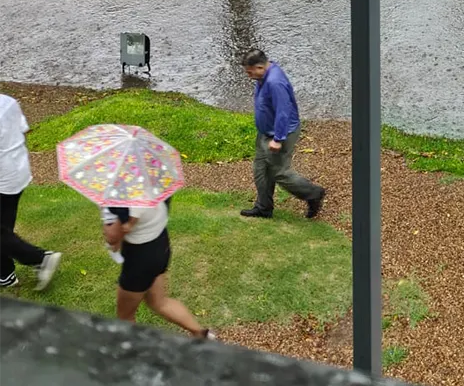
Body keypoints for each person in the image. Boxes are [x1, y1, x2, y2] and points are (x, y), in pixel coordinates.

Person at [101, 199, 214, 339]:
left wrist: (107, 214)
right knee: (160, 302)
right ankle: (202, 334)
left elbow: (112, 236)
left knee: (125, 318)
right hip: (160, 243)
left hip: (139, 259)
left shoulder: (119, 193)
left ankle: (133, 355)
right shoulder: (148, 181)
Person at [239, 49, 325, 220]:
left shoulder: (275, 82)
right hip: (265, 133)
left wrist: (278, 139)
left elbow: (283, 112)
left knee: (279, 172)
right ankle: (264, 208)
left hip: (279, 134)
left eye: (250, 72)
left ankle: (313, 193)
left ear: (260, 67)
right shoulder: (262, 76)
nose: (249, 75)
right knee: (260, 169)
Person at [0, 93, 61, 291]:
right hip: (18, 170)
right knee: (4, 227)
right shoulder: (8, 102)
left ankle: (40, 258)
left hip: (3, 176)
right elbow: (23, 130)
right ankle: (5, 275)